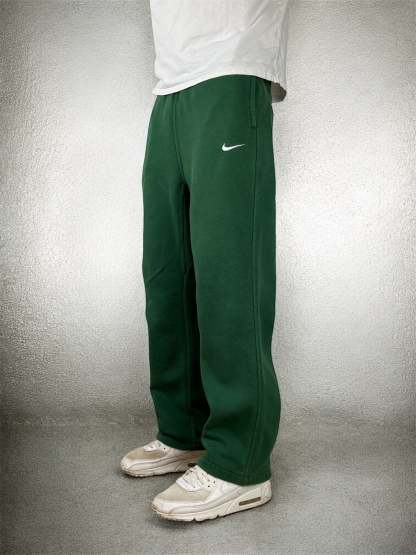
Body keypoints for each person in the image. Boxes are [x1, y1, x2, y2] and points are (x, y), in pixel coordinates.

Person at [121, 0, 291, 522]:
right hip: (170, 86)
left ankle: (242, 463)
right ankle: (185, 431)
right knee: (167, 273)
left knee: (228, 272)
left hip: (231, 68)